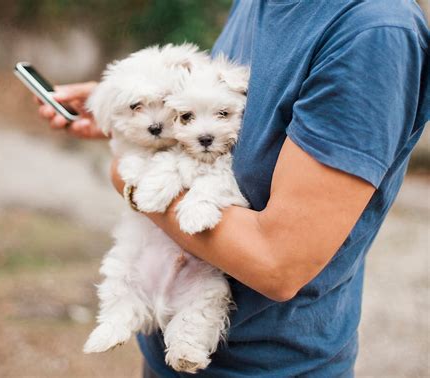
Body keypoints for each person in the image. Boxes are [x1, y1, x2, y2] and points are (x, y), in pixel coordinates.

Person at [36, 1, 429, 376]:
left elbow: (278, 264)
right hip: (165, 348)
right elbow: (228, 111)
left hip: (270, 367)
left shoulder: (373, 31)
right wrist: (129, 108)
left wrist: (124, 175)